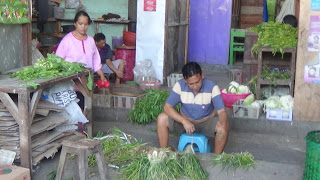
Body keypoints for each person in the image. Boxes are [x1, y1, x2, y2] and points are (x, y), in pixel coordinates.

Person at [157, 62, 229, 154]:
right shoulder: (179, 85)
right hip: (185, 123)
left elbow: (221, 111)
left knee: (224, 126)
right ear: (185, 80)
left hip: (206, 122)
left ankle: (215, 157)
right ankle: (164, 152)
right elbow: (167, 107)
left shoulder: (212, 87)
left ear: (202, 75)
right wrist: (184, 121)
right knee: (162, 118)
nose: (195, 86)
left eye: (197, 82)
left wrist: (222, 124)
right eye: (191, 84)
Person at [55, 11, 107, 83]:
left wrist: (102, 75)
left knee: (86, 94)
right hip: (70, 82)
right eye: (80, 24)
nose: (83, 27)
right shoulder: (67, 40)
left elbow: (96, 60)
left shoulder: (91, 40)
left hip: (87, 80)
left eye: (86, 24)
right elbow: (58, 60)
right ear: (75, 23)